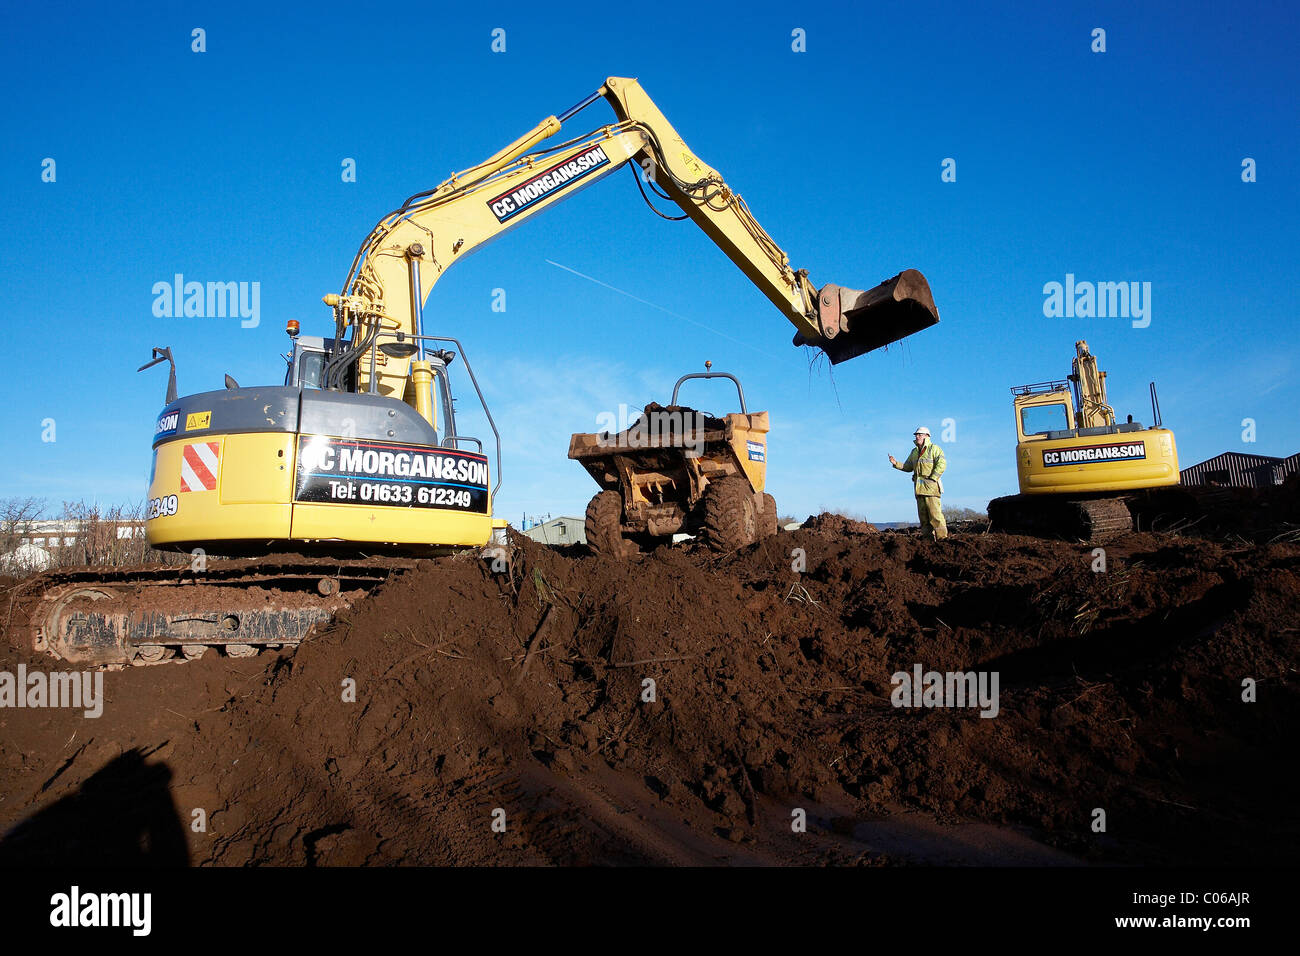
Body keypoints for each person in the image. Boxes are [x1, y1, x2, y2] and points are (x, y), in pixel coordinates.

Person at [889, 426, 948, 540]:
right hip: (919, 489)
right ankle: (928, 541)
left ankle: (943, 540)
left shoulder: (934, 449)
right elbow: (908, 466)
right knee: (923, 518)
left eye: (920, 434)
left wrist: (933, 478)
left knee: (935, 516)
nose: (917, 436)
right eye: (916, 434)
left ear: (927, 436)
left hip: (931, 489)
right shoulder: (914, 452)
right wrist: (895, 463)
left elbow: (942, 464)